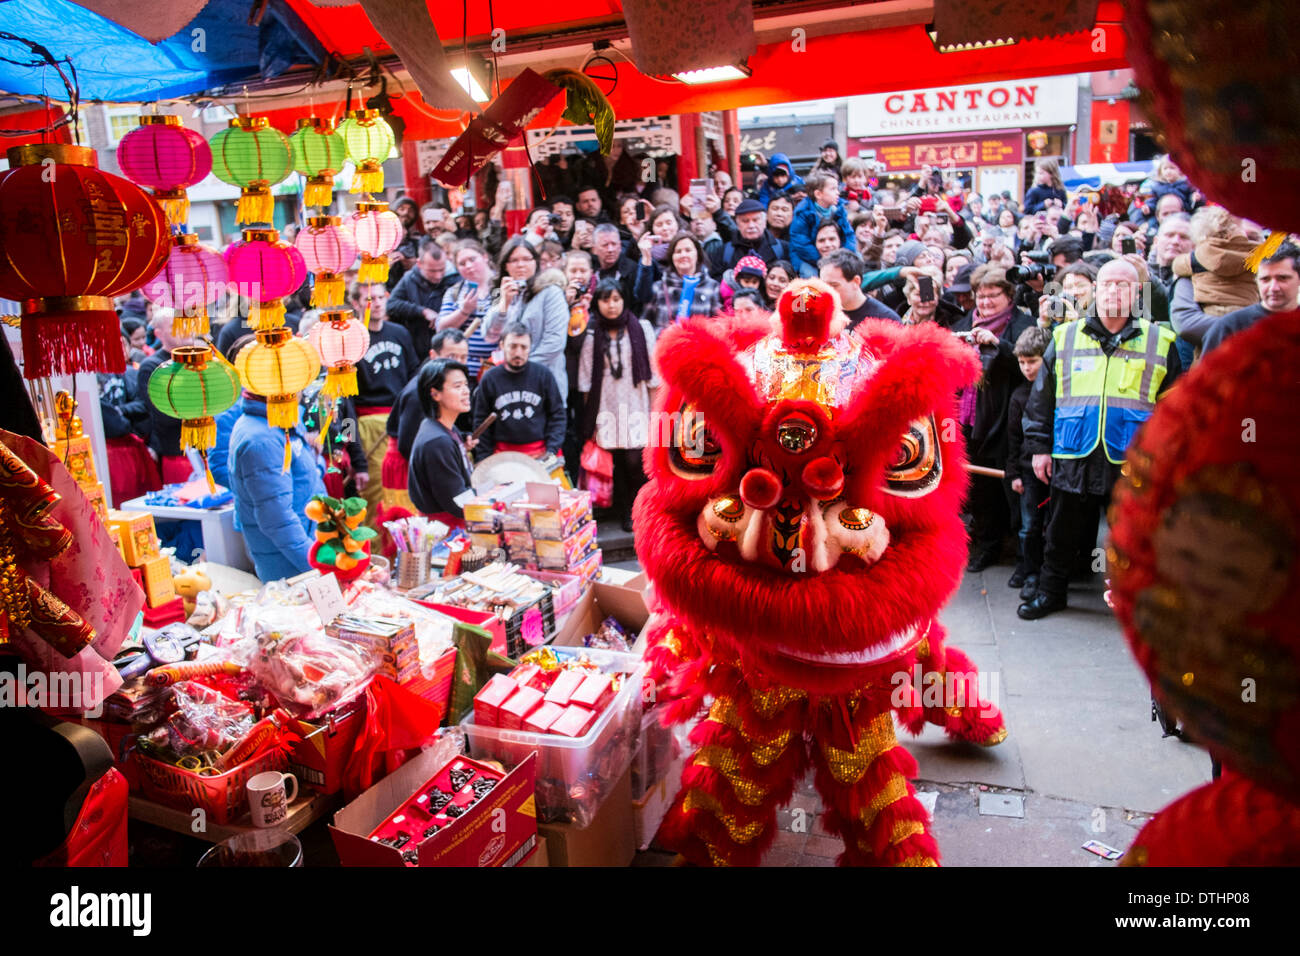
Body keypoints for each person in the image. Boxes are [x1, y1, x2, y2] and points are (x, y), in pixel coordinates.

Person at [1019, 258, 1183, 619]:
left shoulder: (1160, 340)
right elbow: (1042, 400)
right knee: (1060, 533)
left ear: (1136, 292)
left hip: (1131, 458)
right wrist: (1039, 449)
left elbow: (1174, 409)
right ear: (1095, 290)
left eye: (1122, 285)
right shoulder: (1064, 337)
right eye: (1107, 283)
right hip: (1073, 451)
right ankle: (1051, 592)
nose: (1113, 291)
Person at [950, 265, 1036, 572]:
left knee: (1005, 485)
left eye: (992, 296)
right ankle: (986, 543)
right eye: (980, 296)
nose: (985, 302)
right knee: (978, 485)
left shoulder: (1022, 324)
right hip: (967, 417)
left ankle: (1013, 544)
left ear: (1009, 295)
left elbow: (1030, 368)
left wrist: (999, 345)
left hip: (1004, 418)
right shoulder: (962, 324)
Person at [578, 280, 660, 532]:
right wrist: (589, 420)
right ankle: (625, 512)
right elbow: (585, 382)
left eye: (616, 299)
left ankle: (641, 511)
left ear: (623, 299)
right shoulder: (592, 334)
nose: (611, 305)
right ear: (597, 303)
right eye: (605, 300)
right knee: (616, 463)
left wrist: (657, 414)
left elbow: (654, 375)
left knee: (636, 462)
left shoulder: (641, 328)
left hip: (636, 403)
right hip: (606, 407)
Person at [228, 387, 326, 581]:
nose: (301, 391)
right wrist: (316, 566)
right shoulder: (261, 440)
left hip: (308, 542)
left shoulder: (279, 421)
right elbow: (278, 519)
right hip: (291, 565)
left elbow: (302, 477)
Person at [351, 282, 418, 523]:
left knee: (406, 493)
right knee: (376, 497)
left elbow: (414, 377)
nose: (377, 303)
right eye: (370, 299)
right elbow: (344, 402)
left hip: (403, 422)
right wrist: (353, 451)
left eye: (381, 297)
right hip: (369, 426)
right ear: (357, 303)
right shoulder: (350, 341)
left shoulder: (399, 333)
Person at [483, 236, 570, 401]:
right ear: (506, 265)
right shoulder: (502, 290)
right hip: (507, 391)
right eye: (514, 260)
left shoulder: (551, 292)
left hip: (544, 383)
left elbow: (554, 344)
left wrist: (518, 369)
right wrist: (503, 305)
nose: (521, 265)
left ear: (535, 262)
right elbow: (489, 336)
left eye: (526, 259)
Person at [472, 323, 566, 461]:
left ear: (530, 348)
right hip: (502, 453)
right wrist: (484, 458)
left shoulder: (543, 375)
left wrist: (552, 449)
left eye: (523, 347)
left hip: (541, 452)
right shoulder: (490, 378)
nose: (518, 352)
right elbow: (481, 421)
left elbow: (557, 415)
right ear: (502, 345)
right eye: (513, 346)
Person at [1005, 326, 1052, 598]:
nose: (1026, 368)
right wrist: (1014, 474)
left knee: (1050, 523)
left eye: (1032, 362)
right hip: (1027, 469)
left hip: (1056, 467)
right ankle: (1027, 568)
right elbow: (1012, 440)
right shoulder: (1019, 396)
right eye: (1021, 363)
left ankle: (1046, 571)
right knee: (1029, 525)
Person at [407, 358, 477, 524]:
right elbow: (458, 503)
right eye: (457, 386)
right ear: (435, 394)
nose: (466, 391)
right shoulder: (438, 442)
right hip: (448, 531)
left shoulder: (442, 427)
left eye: (466, 385)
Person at [1202, 242, 1300, 353]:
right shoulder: (1229, 328)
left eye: (1282, 278)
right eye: (1265, 279)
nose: (1273, 288)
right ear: (1256, 281)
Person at [137, 308, 197, 484]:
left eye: (185, 323)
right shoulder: (153, 367)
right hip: (178, 452)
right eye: (174, 326)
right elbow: (164, 414)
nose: (183, 329)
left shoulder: (201, 358)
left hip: (210, 447)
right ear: (158, 334)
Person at [1171, 206, 1259, 316]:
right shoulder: (1256, 254)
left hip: (1212, 313)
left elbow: (1177, 265)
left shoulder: (1200, 256)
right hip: (1248, 312)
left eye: (1184, 237)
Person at [387, 237, 457, 359]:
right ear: (419, 264)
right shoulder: (409, 279)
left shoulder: (456, 279)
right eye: (432, 271)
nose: (438, 276)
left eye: (441, 269)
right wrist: (422, 311)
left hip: (450, 346)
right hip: (418, 346)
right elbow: (391, 304)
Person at [437, 239, 498, 378]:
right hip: (464, 368)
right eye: (462, 264)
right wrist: (464, 311)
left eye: (472, 259)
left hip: (496, 366)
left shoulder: (499, 286)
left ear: (484, 257)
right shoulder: (455, 292)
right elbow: (441, 328)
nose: (469, 266)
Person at [637, 232, 722, 329]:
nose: (683, 255)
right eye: (678, 251)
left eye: (688, 250)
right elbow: (646, 325)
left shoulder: (712, 286)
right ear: (672, 257)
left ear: (697, 254)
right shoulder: (659, 287)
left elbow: (718, 326)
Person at [789, 171, 857, 277]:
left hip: (836, 253)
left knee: (857, 260)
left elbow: (849, 235)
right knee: (810, 275)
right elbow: (801, 243)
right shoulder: (803, 212)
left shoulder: (839, 209)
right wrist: (822, 261)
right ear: (818, 194)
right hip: (808, 257)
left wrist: (843, 256)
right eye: (833, 189)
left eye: (837, 188)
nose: (838, 193)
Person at [819, 249, 903, 329]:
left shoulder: (886, 319)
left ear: (856, 281)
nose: (827, 291)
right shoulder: (822, 315)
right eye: (824, 285)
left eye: (834, 285)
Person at [722, 199, 789, 271]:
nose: (751, 225)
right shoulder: (725, 251)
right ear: (737, 224)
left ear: (764, 221)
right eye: (745, 221)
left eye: (755, 220)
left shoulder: (782, 249)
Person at [591, 223, 641, 309]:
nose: (610, 249)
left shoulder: (632, 269)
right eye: (605, 245)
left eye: (614, 244)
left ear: (620, 246)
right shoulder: (589, 269)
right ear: (594, 249)